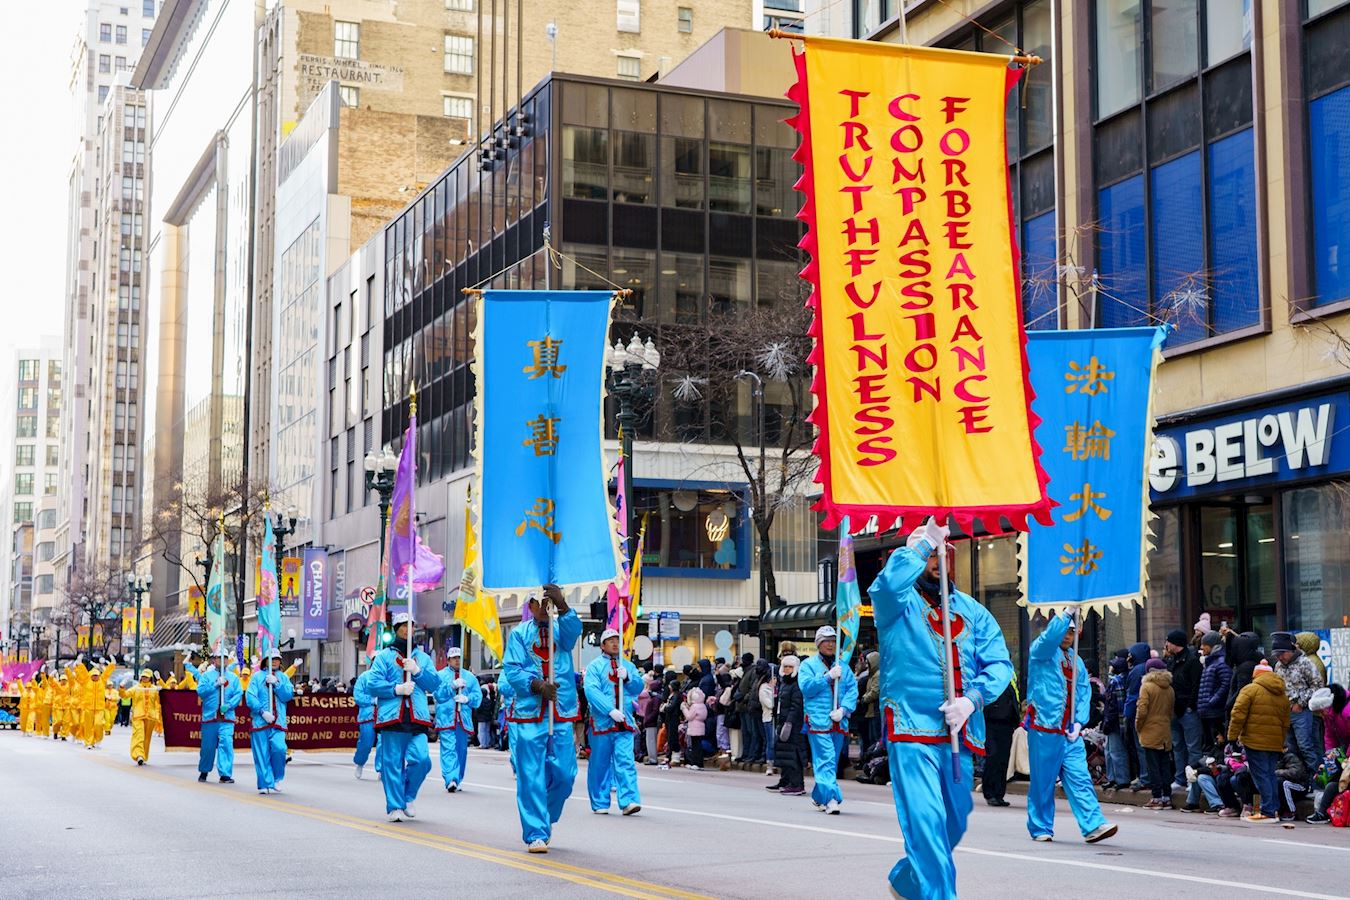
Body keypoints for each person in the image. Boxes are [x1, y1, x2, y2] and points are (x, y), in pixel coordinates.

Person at [867, 520, 1014, 900]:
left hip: (958, 733)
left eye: (941, 553)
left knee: (954, 822)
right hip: (910, 728)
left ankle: (907, 879)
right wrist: (920, 545)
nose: (936, 560)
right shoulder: (896, 606)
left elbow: (1000, 664)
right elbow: (886, 587)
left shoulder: (973, 610)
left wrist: (972, 700)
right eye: (930, 553)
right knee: (927, 820)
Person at [1024, 610, 1117, 842]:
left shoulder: (1077, 662)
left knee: (1080, 777)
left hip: (1069, 732)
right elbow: (1048, 640)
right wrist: (1065, 614)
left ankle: (1093, 825)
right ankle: (1040, 827)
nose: (1067, 636)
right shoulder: (1041, 651)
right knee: (1043, 782)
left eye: (1072, 631)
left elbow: (1084, 693)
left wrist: (1078, 722)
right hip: (1044, 727)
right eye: (1064, 630)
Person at [503, 584, 582, 853]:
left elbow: (574, 633)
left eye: (550, 602)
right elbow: (512, 670)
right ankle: (535, 831)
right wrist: (536, 685)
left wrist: (564, 606)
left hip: (560, 710)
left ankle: (544, 815)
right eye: (541, 602)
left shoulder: (562, 629)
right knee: (531, 775)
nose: (545, 606)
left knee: (565, 775)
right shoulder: (519, 634)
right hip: (530, 713)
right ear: (531, 606)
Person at [368, 612, 441, 821]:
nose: (408, 629)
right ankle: (395, 805)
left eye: (411, 625)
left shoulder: (423, 658)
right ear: (396, 629)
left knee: (422, 760)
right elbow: (372, 684)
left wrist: (418, 671)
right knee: (392, 763)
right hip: (392, 717)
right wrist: (396, 689)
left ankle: (408, 795)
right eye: (403, 625)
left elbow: (434, 684)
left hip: (417, 718)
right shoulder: (384, 657)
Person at [798, 625, 858, 814]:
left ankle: (819, 796)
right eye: (826, 641)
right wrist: (827, 678)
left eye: (833, 641)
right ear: (818, 644)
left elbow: (852, 690)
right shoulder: (808, 665)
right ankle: (832, 798)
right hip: (818, 721)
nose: (830, 645)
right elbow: (806, 688)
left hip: (839, 722)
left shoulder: (844, 667)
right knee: (826, 758)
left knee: (830, 761)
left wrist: (844, 709)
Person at [584, 628, 643, 815]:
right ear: (602, 645)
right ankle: (600, 801)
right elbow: (591, 691)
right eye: (611, 640)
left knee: (626, 761)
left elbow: (638, 688)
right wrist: (609, 710)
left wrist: (629, 678)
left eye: (618, 640)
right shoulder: (594, 667)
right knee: (600, 763)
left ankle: (629, 800)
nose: (615, 643)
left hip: (624, 722)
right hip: (602, 723)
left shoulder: (628, 665)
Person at [1227, 659, 1291, 823]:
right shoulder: (1282, 694)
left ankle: (1267, 811)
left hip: (1254, 741)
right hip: (1274, 742)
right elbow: (1285, 723)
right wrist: (1280, 742)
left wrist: (1232, 737)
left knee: (1260, 776)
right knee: (1270, 775)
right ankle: (1274, 809)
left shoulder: (1250, 690)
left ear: (1256, 675)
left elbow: (1237, 715)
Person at [1271, 631, 1325, 776]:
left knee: (1306, 746)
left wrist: (1301, 702)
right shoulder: (1278, 666)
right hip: (1284, 713)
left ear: (1290, 650)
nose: (1280, 658)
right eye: (1277, 655)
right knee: (1290, 748)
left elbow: (1318, 686)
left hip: (1302, 712)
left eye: (1282, 654)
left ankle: (1316, 779)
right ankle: (1299, 778)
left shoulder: (1305, 663)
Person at [245, 649, 295, 795]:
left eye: (277, 659)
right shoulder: (256, 677)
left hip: (278, 722)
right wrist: (262, 712)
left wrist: (277, 683)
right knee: (261, 754)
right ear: (265, 660)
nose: (274, 661)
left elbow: (288, 696)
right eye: (271, 659)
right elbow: (250, 696)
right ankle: (264, 783)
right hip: (260, 722)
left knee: (279, 749)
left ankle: (277, 778)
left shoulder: (283, 677)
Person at [433, 646, 481, 792]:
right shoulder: (440, 676)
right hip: (446, 718)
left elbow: (478, 697)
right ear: (448, 660)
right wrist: (451, 686)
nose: (457, 660)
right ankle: (450, 778)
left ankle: (458, 778)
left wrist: (467, 699)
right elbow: (438, 695)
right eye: (454, 658)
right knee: (448, 749)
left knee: (461, 750)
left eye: (459, 658)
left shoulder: (470, 677)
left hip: (463, 720)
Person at [1164, 628, 1203, 789]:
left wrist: (1190, 706)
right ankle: (1180, 778)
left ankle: (1193, 780)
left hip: (1187, 710)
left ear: (1176, 643)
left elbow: (1196, 685)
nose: (1166, 645)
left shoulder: (1192, 661)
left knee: (1192, 747)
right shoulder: (1172, 660)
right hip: (1175, 710)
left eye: (1168, 641)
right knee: (1178, 746)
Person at [197, 647, 242, 784]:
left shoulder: (233, 678)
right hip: (210, 718)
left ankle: (225, 774)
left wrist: (229, 705)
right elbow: (201, 691)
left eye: (225, 658)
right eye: (219, 658)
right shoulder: (206, 676)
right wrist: (215, 684)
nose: (222, 661)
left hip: (227, 718)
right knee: (208, 747)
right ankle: (204, 770)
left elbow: (238, 694)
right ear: (214, 660)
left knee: (226, 744)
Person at [1135, 657, 1175, 809]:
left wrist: (1138, 725)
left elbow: (1142, 709)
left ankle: (1156, 797)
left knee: (1153, 766)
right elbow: (1171, 711)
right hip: (1165, 730)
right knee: (1165, 765)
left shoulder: (1146, 687)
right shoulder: (1170, 689)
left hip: (1150, 729)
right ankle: (1166, 797)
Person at [1307, 685, 1350, 824]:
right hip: (1346, 749)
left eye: (1321, 711)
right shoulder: (1330, 716)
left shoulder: (1346, 711)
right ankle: (1322, 812)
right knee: (1333, 781)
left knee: (1338, 781)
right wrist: (1330, 753)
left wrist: (1347, 757)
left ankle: (1323, 813)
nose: (1321, 715)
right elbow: (1329, 736)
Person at [766, 654, 805, 796]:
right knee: (784, 754)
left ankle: (796, 783)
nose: (787, 669)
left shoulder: (796, 684)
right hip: (782, 721)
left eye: (790, 667)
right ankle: (785, 781)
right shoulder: (784, 683)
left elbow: (796, 706)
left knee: (793, 754)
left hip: (793, 725)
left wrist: (789, 723)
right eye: (785, 666)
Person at [982, 679, 1019, 806]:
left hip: (1007, 725)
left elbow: (1014, 700)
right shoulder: (991, 679)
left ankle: (999, 794)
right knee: (992, 757)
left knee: (1003, 760)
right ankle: (989, 793)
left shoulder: (1010, 681)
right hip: (991, 724)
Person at [1123, 641, 1152, 790]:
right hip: (1152, 714)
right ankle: (1148, 776)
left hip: (1138, 713)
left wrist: (1127, 714)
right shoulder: (1149, 667)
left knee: (1141, 747)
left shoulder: (1136, 671)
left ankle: (1145, 777)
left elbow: (1132, 695)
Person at [1196, 631, 1231, 751]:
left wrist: (1212, 700)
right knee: (1211, 746)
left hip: (1215, 711)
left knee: (1218, 745)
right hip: (1208, 710)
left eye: (1204, 644)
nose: (1201, 647)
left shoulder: (1220, 662)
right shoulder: (1210, 662)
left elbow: (1226, 683)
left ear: (1212, 646)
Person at [123, 669, 161, 765]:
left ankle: (143, 756)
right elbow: (125, 695)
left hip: (150, 717)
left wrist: (160, 684)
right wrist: (121, 687)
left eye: (146, 677)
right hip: (138, 716)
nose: (144, 678)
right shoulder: (136, 688)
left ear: (150, 678)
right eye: (143, 676)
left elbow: (161, 700)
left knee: (147, 738)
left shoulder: (154, 689)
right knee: (139, 735)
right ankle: (138, 755)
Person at [352, 667, 380, 780]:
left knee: (384, 744)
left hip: (386, 715)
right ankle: (360, 762)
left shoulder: (389, 676)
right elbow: (357, 696)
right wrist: (373, 700)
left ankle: (382, 769)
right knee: (366, 742)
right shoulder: (364, 676)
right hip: (368, 715)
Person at [682, 686, 708, 769]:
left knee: (694, 746)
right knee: (698, 745)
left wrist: (684, 709)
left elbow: (689, 716)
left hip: (694, 727)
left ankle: (695, 763)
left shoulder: (694, 706)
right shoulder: (703, 705)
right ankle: (699, 763)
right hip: (701, 726)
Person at [759, 662, 777, 779]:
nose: (775, 680)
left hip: (777, 718)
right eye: (774, 678)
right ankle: (769, 764)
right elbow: (769, 704)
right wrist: (775, 697)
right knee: (771, 742)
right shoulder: (764, 689)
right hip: (769, 718)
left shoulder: (777, 688)